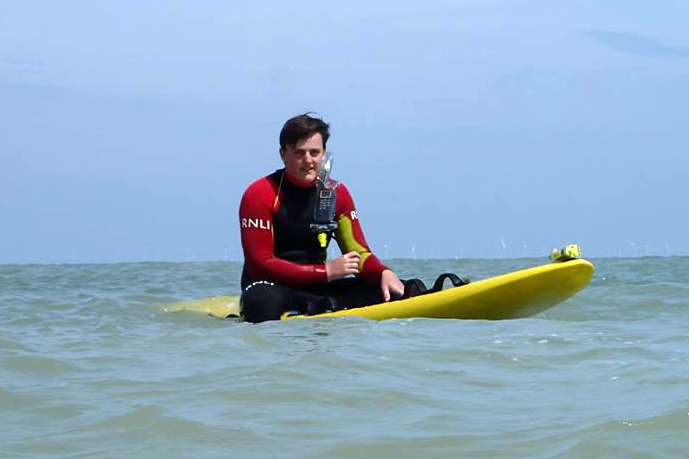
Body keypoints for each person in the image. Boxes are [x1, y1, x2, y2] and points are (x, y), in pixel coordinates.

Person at [238, 113, 405, 322]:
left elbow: (358, 252)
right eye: (299, 153)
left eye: (314, 152)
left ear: (324, 154)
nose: (308, 160)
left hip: (318, 285)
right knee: (261, 300)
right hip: (270, 286)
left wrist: (383, 272)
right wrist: (325, 271)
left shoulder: (335, 194)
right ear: (283, 154)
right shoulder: (260, 194)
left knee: (392, 288)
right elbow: (260, 264)